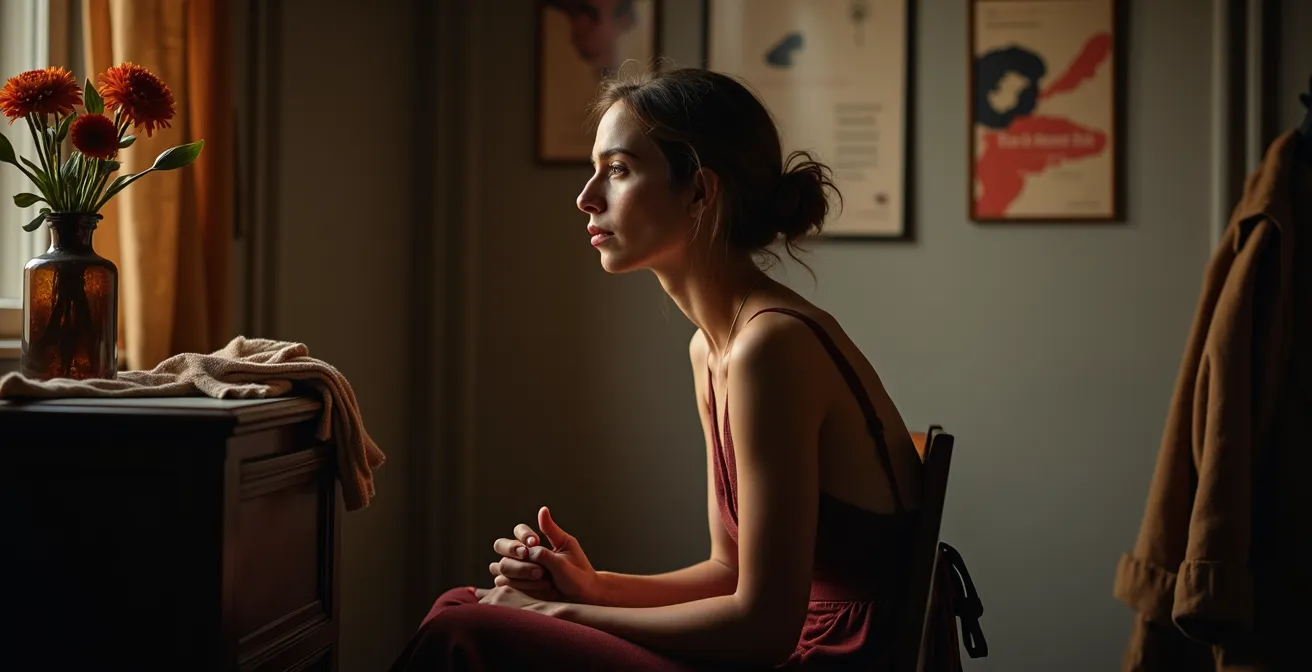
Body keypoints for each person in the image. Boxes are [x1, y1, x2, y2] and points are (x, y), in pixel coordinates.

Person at [390, 66, 952, 671]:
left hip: (830, 656)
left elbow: (762, 627)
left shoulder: (772, 346)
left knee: (468, 630)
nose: (586, 197)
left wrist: (558, 614)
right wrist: (591, 585)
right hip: (787, 638)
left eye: (619, 170)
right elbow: (727, 571)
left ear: (700, 193)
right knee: (461, 606)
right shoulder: (712, 348)